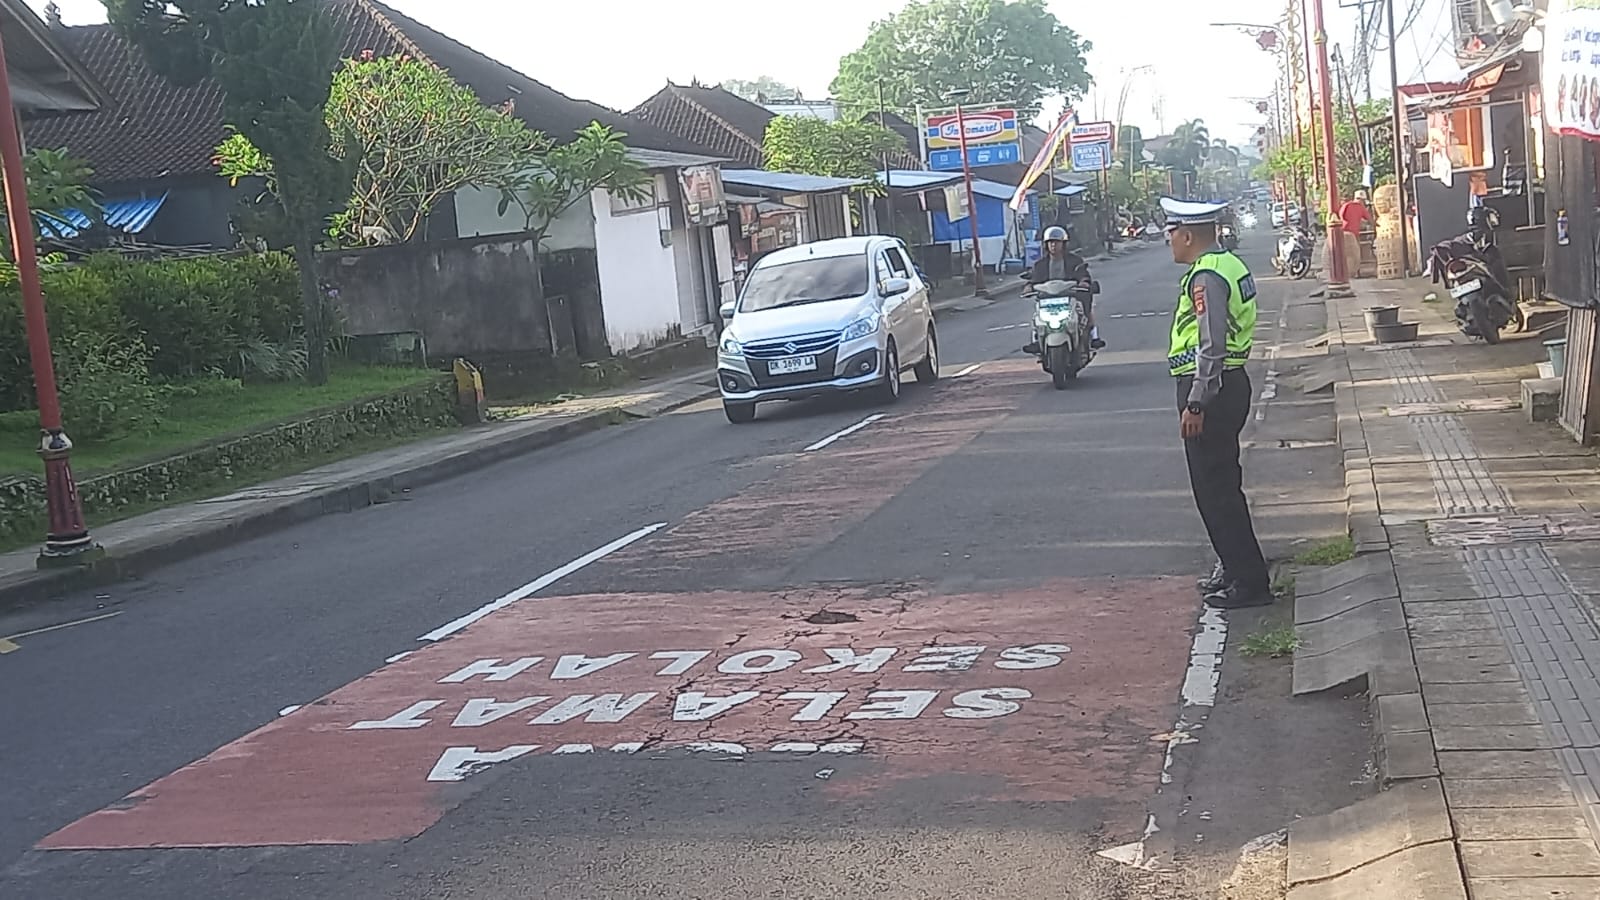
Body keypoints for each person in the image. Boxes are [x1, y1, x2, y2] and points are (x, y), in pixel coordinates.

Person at [1161, 197, 1273, 609]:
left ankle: (1249, 582)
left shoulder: (1206, 277)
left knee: (1216, 492)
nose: (1169, 241)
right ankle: (1235, 569)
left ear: (1188, 236)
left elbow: (1212, 343)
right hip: (1228, 384)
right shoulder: (1228, 264)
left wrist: (1197, 402)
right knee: (1222, 485)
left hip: (1211, 388)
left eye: (1171, 233)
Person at [1027, 224, 1105, 349]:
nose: (1053, 245)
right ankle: (1036, 339)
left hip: (1071, 297)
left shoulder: (1075, 261)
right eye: (1050, 242)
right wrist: (1029, 286)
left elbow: (1082, 273)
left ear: (1063, 244)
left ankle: (1093, 336)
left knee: (1085, 308)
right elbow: (1034, 279)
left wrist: (1084, 282)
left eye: (1057, 242)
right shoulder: (1039, 265)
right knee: (1037, 316)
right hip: (1047, 299)